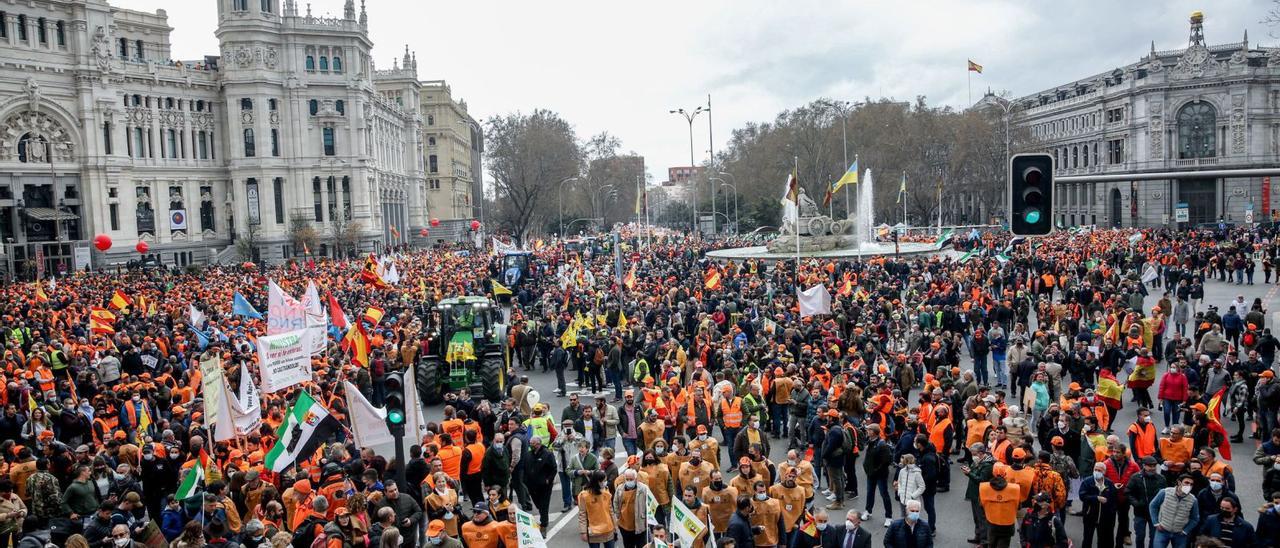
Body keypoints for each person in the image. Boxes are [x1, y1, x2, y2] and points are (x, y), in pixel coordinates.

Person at [1149, 475, 1201, 548]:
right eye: (1186, 482)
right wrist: (1156, 523)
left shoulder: (1193, 500)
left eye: (1191, 484)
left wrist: (1185, 531)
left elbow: (1195, 518)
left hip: (1179, 534)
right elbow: (1153, 506)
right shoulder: (1165, 492)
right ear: (1179, 482)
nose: (1189, 486)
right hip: (1163, 530)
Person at [979, 464, 1021, 548]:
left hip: (991, 523)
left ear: (993, 473)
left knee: (991, 544)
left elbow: (981, 505)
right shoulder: (1015, 488)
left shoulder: (984, 487)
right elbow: (1019, 506)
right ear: (1005, 474)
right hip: (1008, 525)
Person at [613, 469, 651, 548]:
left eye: (631, 479)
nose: (629, 481)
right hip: (624, 524)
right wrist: (618, 515)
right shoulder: (620, 488)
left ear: (636, 478)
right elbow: (615, 502)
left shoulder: (643, 489)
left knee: (641, 545)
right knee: (628, 545)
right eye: (627, 479)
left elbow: (649, 504)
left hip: (640, 524)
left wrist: (647, 518)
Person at [577, 471, 615, 548]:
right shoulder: (584, 496)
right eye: (604, 481)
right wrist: (583, 532)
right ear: (597, 481)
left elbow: (610, 510)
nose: (605, 483)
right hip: (593, 532)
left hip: (608, 530)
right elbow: (582, 515)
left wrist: (615, 526)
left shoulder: (606, 492)